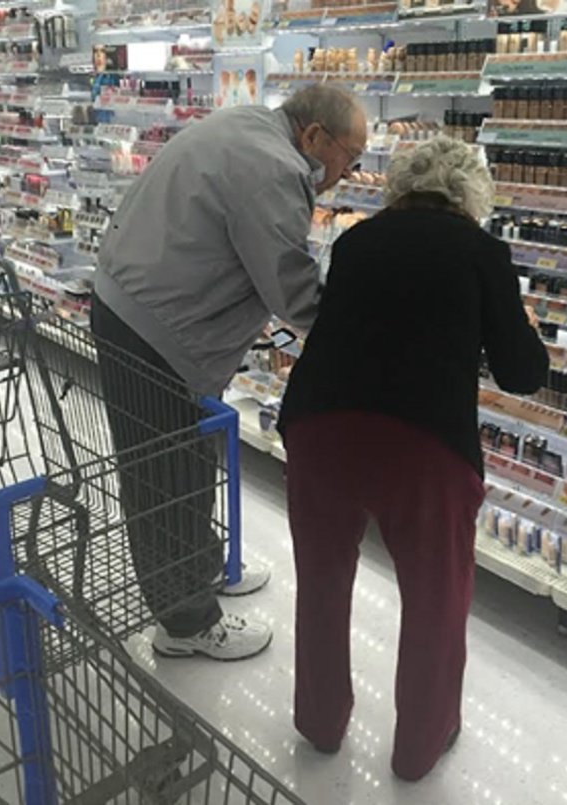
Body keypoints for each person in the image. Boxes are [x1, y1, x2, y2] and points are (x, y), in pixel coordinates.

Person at [277, 136, 549, 780]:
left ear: (400, 184)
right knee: (434, 600)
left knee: (321, 583)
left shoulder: (356, 241)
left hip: (321, 424)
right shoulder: (483, 252)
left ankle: (319, 723)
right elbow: (520, 372)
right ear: (472, 195)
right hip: (423, 444)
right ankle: (419, 748)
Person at [91, 84, 368, 662]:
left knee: (188, 459)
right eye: (351, 157)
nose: (349, 172)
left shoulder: (249, 125)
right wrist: (365, 333)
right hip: (153, 327)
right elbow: (292, 289)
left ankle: (199, 569)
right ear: (315, 137)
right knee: (164, 476)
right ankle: (185, 622)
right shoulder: (274, 169)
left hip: (140, 303)